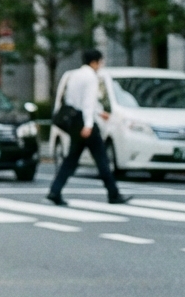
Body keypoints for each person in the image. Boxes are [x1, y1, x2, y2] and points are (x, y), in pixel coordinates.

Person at [48, 49, 131, 206]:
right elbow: (87, 103)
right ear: (95, 62)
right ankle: (113, 194)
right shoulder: (91, 77)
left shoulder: (74, 75)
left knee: (71, 159)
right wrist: (88, 124)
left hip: (75, 121)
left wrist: (99, 112)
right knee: (102, 160)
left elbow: (74, 101)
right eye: (101, 61)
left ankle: (55, 190)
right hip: (86, 124)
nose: (101, 65)